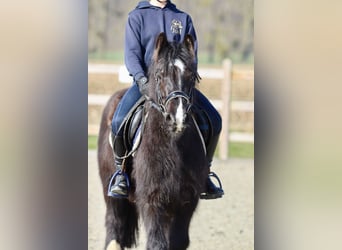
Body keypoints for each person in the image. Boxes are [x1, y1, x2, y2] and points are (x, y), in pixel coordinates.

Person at [109, 0, 224, 199]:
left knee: (214, 119)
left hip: (178, 86)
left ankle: (206, 173)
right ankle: (121, 173)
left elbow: (192, 55)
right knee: (119, 121)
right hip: (147, 83)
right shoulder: (136, 17)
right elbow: (132, 55)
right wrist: (141, 80)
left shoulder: (182, 18)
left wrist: (186, 77)